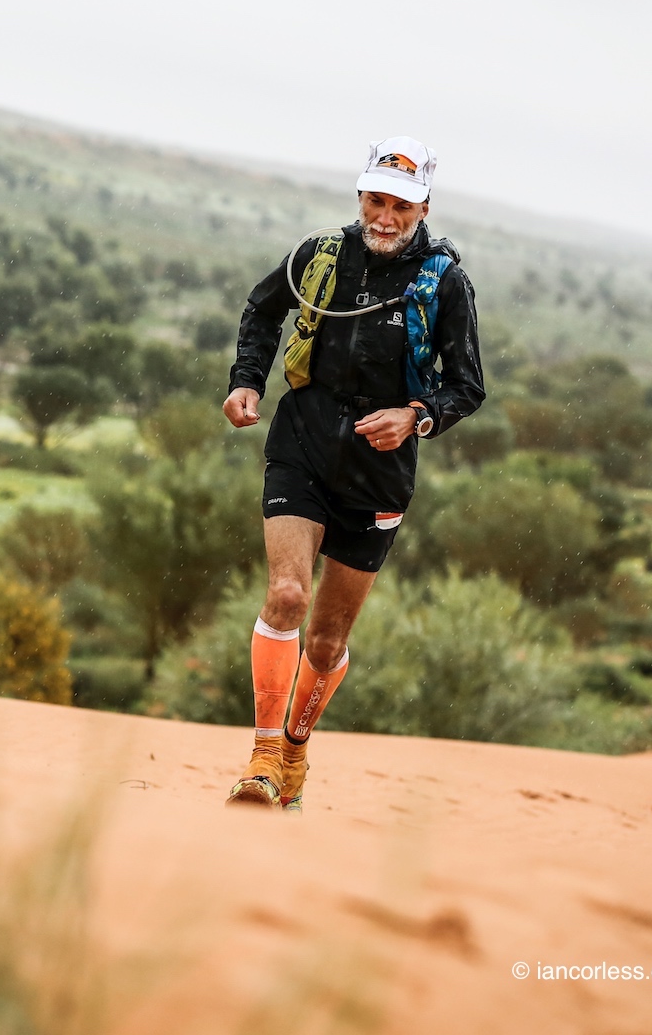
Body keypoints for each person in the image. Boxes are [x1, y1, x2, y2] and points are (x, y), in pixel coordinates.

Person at [221, 137, 484, 809]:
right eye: (375, 199)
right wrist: (247, 380)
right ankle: (261, 756)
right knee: (286, 596)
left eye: (401, 204)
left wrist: (416, 416)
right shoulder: (320, 255)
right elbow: (263, 309)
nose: (385, 215)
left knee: (330, 637)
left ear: (424, 206)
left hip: (379, 473)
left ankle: (295, 754)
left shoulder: (444, 282)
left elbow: (467, 386)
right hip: (302, 442)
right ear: (360, 196)